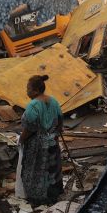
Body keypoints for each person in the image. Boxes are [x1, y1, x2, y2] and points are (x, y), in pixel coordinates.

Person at [15, 75, 63, 205]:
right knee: (52, 169)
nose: (27, 91)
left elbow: (29, 127)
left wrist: (21, 139)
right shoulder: (53, 101)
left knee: (36, 170)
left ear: (35, 90)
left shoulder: (33, 105)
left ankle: (38, 198)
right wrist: (56, 133)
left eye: (28, 89)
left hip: (38, 145)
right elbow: (60, 120)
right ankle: (53, 195)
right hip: (52, 142)